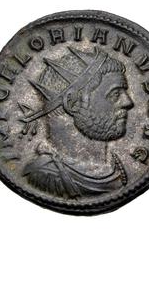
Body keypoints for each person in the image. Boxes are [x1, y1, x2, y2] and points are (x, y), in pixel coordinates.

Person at [22, 47, 134, 198]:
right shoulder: (46, 177)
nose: (128, 102)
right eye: (115, 94)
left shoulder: (116, 167)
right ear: (72, 104)